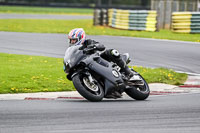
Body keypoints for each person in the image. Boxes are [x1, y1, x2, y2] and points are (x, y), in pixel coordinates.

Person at [67, 28, 134, 79]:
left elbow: (101, 46)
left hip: (98, 60)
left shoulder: (88, 42)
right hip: (87, 64)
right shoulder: (74, 50)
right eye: (71, 40)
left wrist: (94, 46)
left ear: (80, 38)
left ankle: (128, 72)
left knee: (112, 52)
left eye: (73, 40)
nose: (72, 42)